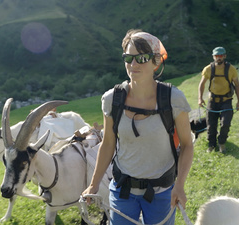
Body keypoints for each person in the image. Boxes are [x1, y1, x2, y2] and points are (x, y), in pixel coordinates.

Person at [82, 29, 194, 225]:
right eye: (128, 58)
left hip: (161, 193)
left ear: (156, 62)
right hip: (122, 191)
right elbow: (108, 143)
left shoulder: (173, 99)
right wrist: (93, 185)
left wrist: (180, 185)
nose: (133, 64)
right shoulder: (112, 99)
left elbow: (187, 144)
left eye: (141, 58)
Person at [198, 46, 239, 153]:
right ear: (213, 57)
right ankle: (211, 145)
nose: (219, 58)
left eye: (221, 56)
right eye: (217, 56)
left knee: (225, 123)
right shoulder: (208, 69)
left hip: (226, 101)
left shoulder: (231, 69)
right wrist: (200, 98)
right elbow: (202, 84)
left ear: (224, 56)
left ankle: (222, 143)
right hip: (212, 101)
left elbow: (237, 85)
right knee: (211, 125)